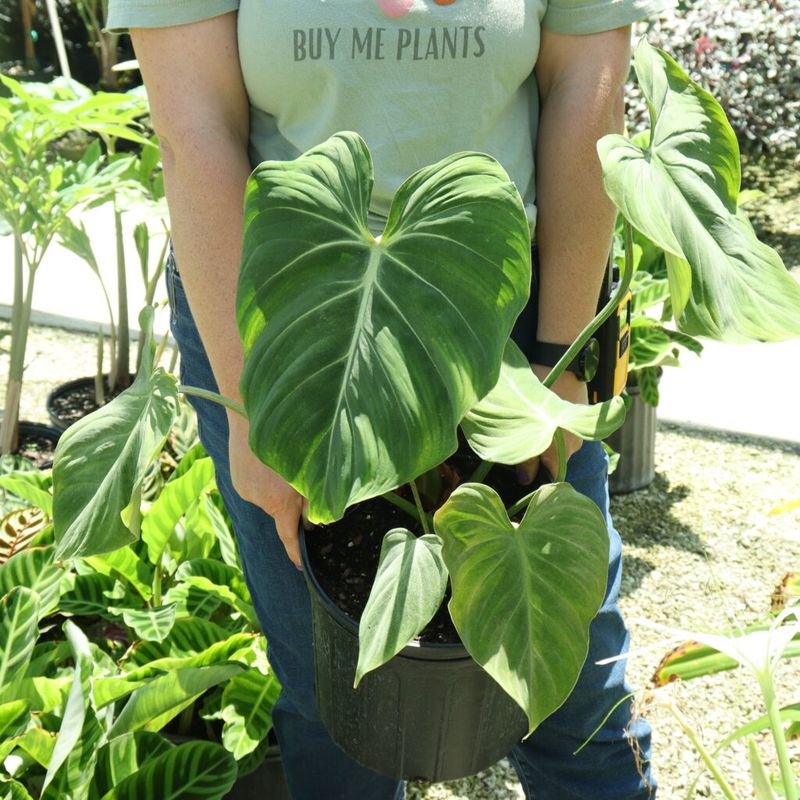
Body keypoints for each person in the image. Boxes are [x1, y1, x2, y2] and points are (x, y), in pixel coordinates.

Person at [108, 1, 670, 797]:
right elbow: (193, 124)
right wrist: (252, 406)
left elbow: (588, 81)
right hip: (282, 316)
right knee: (336, 689)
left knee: (577, 700)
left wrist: (558, 362)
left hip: (509, 299)